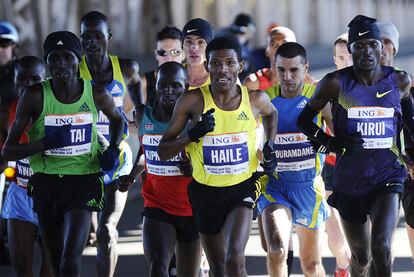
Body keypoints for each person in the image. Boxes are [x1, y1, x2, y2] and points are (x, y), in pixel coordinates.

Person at [297, 15, 414, 277]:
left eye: (373, 44)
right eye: (359, 47)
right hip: (350, 180)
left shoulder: (399, 81)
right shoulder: (335, 83)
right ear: (350, 50)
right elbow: (304, 120)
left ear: (382, 48)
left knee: (382, 247)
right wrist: (331, 142)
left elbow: (410, 121)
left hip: (388, 176)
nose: (367, 52)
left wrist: (411, 155)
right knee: (361, 258)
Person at [1, 31, 124, 276]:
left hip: (83, 182)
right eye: (53, 58)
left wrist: (112, 148)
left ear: (78, 59)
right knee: (57, 265)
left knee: (69, 260)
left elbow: (118, 119)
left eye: (67, 57)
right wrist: (45, 143)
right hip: (46, 184)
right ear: (46, 62)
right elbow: (8, 151)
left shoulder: (96, 93)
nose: (60, 64)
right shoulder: (35, 95)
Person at [158, 36, 278, 277]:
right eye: (216, 63)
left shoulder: (255, 99)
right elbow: (163, 150)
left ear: (240, 66)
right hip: (205, 192)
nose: (223, 69)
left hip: (242, 188)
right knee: (219, 268)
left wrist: (270, 146)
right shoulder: (191, 101)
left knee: (235, 259)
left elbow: (271, 113)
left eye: (230, 63)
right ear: (207, 66)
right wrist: (192, 135)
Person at [119, 61, 201, 277]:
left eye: (176, 86)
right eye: (163, 86)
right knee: (158, 267)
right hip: (158, 205)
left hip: (192, 208)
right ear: (155, 85)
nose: (169, 92)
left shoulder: (194, 119)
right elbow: (146, 153)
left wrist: (193, 168)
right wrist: (131, 176)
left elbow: (206, 162)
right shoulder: (142, 115)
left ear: (186, 88)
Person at [258, 42, 329, 277]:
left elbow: (341, 138)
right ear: (274, 68)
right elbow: (246, 141)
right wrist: (261, 155)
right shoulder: (262, 99)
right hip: (275, 187)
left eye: (294, 70)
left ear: (305, 68)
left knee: (311, 266)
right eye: (281, 70)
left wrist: (327, 143)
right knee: (277, 250)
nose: (287, 77)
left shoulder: (319, 98)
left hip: (308, 188)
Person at [79, 10, 140, 277]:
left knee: (107, 230)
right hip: (81, 158)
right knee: (83, 234)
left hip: (117, 157)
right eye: (86, 37)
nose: (91, 42)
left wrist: (139, 110)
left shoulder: (126, 68)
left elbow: (141, 104)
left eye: (97, 35)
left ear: (109, 36)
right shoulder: (72, 69)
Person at [0, 56, 49, 276]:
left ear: (45, 79)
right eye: (23, 79)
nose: (28, 85)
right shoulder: (5, 113)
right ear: (15, 80)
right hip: (20, 194)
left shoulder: (59, 108)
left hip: (53, 196)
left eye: (35, 79)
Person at [319, 33, 352, 277]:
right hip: (331, 169)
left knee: (367, 241)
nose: (346, 61)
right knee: (338, 241)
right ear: (334, 59)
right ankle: (342, 266)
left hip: (366, 169)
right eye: (341, 57)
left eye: (350, 56)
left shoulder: (375, 86)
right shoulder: (326, 87)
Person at [243, 26, 314, 91]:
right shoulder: (252, 84)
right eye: (274, 44)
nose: (279, 49)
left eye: (285, 44)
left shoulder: (308, 84)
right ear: (267, 51)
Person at [140, 26, 185, 107]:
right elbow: (119, 114)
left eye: (175, 52)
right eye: (162, 53)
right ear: (156, 54)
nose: (168, 58)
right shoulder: (144, 84)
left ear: (184, 54)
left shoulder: (194, 83)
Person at [182, 18, 214, 89]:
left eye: (201, 42)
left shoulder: (220, 79)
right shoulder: (173, 75)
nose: (194, 47)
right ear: (182, 47)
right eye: (189, 42)